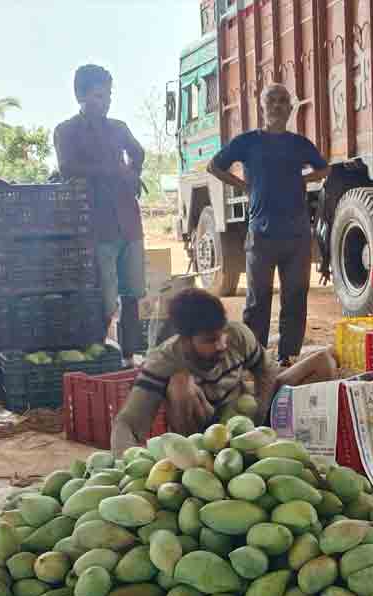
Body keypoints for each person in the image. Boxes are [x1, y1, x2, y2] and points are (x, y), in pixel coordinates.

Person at [111, 288, 336, 454]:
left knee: (322, 362)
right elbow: (127, 423)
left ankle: (283, 437)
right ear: (186, 340)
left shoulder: (236, 335)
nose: (220, 345)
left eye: (221, 335)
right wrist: (126, 464)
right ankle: (201, 458)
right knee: (179, 384)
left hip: (247, 413)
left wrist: (259, 413)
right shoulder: (164, 360)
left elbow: (266, 372)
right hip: (207, 432)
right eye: (210, 340)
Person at [207, 84, 330, 365]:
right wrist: (243, 186)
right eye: (271, 100)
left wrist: (303, 180)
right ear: (261, 106)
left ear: (290, 108)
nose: (277, 105)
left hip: (297, 235)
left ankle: (288, 357)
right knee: (257, 300)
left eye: (283, 101)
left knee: (295, 298)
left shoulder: (299, 144)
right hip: (261, 234)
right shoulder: (248, 141)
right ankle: (255, 358)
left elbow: (324, 168)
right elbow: (214, 166)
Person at [54, 64, 147, 365]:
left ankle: (130, 355)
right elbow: (67, 168)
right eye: (98, 95)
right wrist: (114, 172)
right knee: (104, 298)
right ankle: (99, 355)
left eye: (108, 94)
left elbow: (139, 151)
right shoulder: (66, 131)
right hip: (96, 225)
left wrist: (133, 174)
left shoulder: (119, 128)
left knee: (132, 292)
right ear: (80, 95)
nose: (106, 100)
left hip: (128, 223)